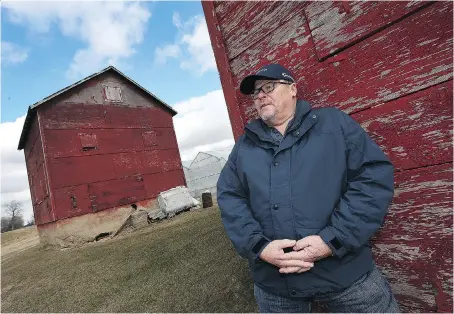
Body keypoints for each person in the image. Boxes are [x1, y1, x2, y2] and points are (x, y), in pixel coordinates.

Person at [216, 63, 400, 313]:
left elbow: (373, 177)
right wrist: (259, 247)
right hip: (276, 285)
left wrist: (333, 240)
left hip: (345, 275)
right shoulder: (244, 147)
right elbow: (230, 198)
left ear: (292, 89)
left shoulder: (333, 124)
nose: (260, 95)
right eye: (256, 92)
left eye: (268, 87)